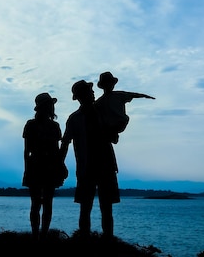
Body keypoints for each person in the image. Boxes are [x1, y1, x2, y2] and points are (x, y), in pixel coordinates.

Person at [60, 80, 119, 237]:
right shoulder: (74, 119)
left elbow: (114, 138)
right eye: (89, 91)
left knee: (106, 208)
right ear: (81, 96)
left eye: (92, 91)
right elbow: (65, 143)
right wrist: (60, 164)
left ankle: (108, 240)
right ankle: (85, 241)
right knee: (85, 207)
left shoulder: (103, 113)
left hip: (106, 165)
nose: (93, 93)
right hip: (87, 168)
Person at [22, 92, 66, 240]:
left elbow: (56, 149)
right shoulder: (31, 125)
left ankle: (42, 235)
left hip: (48, 166)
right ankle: (37, 235)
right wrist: (27, 169)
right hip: (38, 166)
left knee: (45, 203)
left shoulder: (54, 126)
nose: (52, 107)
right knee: (38, 204)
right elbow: (27, 150)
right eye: (49, 105)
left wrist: (60, 165)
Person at [95, 71, 155, 144]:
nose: (110, 86)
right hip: (112, 126)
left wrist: (146, 96)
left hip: (117, 124)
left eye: (111, 84)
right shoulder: (101, 102)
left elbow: (134, 94)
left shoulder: (118, 96)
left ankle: (110, 135)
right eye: (108, 83)